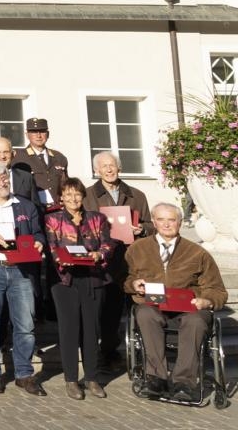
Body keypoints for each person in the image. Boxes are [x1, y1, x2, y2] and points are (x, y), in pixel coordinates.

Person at [124, 203, 228, 403]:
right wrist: (133, 285)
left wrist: (206, 301)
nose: (166, 224)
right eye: (161, 219)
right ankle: (156, 378)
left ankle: (184, 382)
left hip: (189, 308)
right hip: (153, 306)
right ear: (153, 222)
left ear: (180, 222)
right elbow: (125, 279)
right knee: (144, 313)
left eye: (171, 220)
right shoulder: (137, 249)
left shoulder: (197, 253)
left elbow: (217, 290)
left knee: (196, 321)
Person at [0, 161, 47, 396]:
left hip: (21, 271)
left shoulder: (25, 205)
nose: (2, 182)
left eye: (4, 177)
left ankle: (24, 374)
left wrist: (39, 242)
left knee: (25, 325)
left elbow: (38, 233)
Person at [82, 150, 153, 368]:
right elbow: (81, 226)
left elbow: (151, 225)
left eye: (112, 165)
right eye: (104, 166)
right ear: (97, 170)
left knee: (138, 306)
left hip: (133, 259)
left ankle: (142, 352)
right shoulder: (87, 196)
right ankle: (108, 352)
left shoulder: (137, 195)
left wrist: (142, 229)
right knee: (109, 310)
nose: (109, 169)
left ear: (119, 168)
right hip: (105, 261)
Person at [45, 177, 114, 400]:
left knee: (92, 330)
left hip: (93, 278)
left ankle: (92, 377)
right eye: (68, 194)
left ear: (83, 196)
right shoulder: (52, 219)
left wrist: (99, 254)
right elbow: (51, 247)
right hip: (65, 280)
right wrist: (60, 259)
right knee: (69, 330)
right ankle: (71, 379)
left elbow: (108, 244)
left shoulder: (97, 218)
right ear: (61, 198)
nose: (73, 198)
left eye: (77, 194)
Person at [12, 117, 68, 209]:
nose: (38, 136)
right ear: (27, 135)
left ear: (48, 134)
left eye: (42, 131)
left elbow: (65, 185)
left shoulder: (59, 157)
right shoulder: (19, 157)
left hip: (57, 209)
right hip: (33, 209)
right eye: (34, 132)